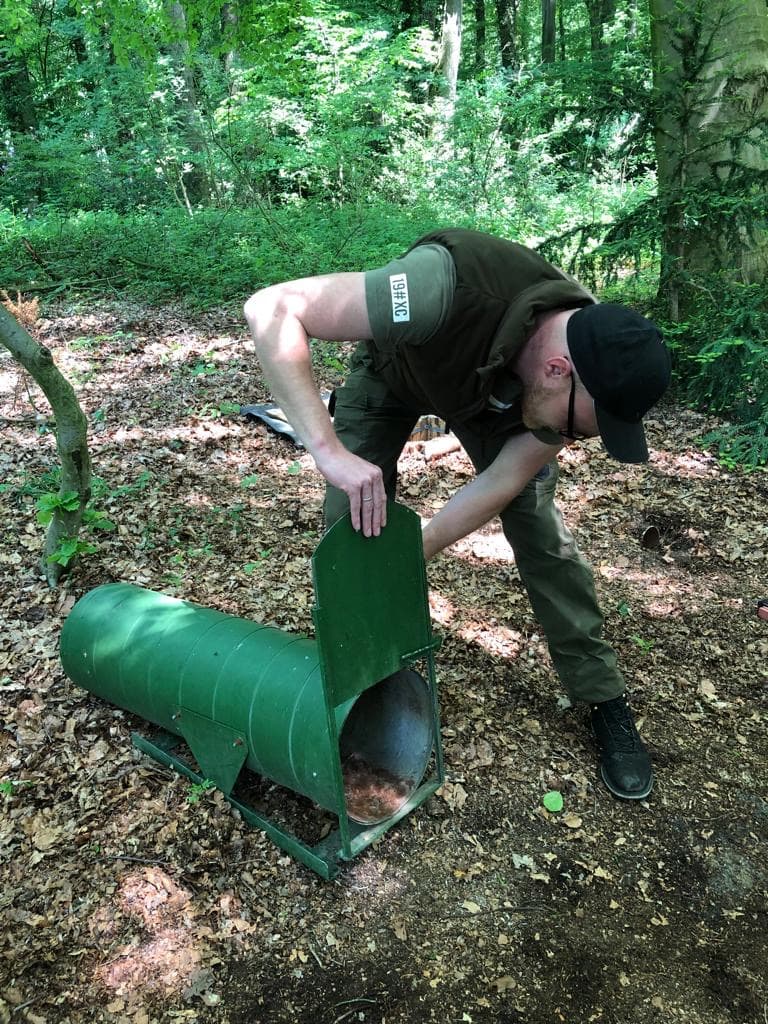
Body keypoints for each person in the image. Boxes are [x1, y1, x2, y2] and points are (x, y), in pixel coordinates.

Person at [244, 228, 671, 800]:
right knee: (353, 519)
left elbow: (501, 482)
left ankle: (602, 697)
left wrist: (412, 552)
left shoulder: (595, 355)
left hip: (498, 404)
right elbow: (270, 308)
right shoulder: (436, 289)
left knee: (543, 537)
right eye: (578, 428)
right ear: (557, 368)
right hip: (396, 372)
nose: (574, 439)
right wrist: (329, 452)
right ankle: (356, 682)